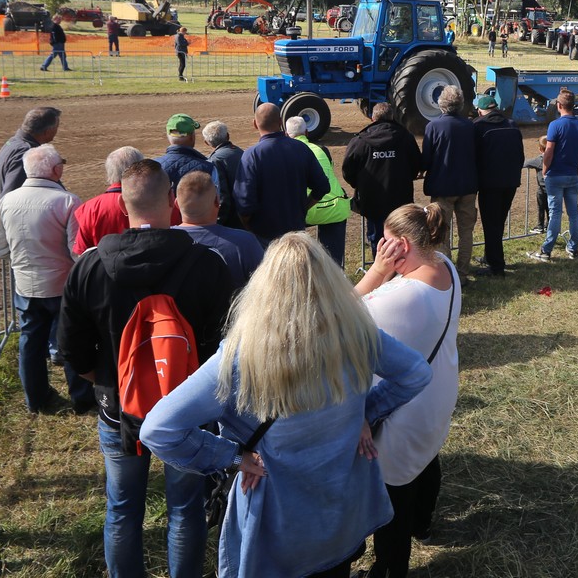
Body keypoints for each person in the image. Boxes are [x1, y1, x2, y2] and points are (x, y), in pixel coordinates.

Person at [139, 232, 432, 578]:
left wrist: (232, 456)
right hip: (339, 515)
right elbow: (415, 373)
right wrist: (365, 412)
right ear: (331, 281)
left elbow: (159, 429)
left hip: (277, 527)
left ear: (263, 287)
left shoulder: (240, 357)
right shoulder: (356, 333)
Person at [59, 159, 238, 578]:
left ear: (122, 205)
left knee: (122, 507)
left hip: (117, 405)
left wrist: (107, 381)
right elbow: (227, 343)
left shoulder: (89, 266)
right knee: (185, 506)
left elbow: (72, 350)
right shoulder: (208, 264)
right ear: (172, 202)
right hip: (188, 406)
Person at [354, 205, 462, 578]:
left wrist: (377, 271)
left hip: (402, 415)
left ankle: (389, 568)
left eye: (384, 241)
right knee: (427, 459)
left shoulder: (399, 296)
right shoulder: (445, 266)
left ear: (400, 245)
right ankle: (423, 524)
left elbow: (338, 317)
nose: (379, 246)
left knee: (393, 498)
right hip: (437, 395)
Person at [0, 144, 94, 414]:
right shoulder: (68, 201)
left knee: (30, 342)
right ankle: (81, 398)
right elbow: (76, 251)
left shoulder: (6, 201)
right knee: (70, 340)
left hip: (26, 286)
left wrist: (24, 258)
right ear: (56, 170)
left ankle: (35, 400)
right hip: (62, 285)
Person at [234, 103, 328, 246]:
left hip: (264, 235)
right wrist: (303, 208)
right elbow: (322, 186)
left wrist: (249, 227)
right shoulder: (301, 148)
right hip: (296, 232)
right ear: (280, 122)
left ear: (255, 124)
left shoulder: (251, 155)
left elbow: (244, 203)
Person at [342, 103, 423, 253]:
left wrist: (358, 184)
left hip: (373, 201)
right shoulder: (405, 137)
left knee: (378, 240)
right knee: (401, 238)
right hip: (400, 199)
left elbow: (347, 170)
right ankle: (400, 264)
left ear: (373, 118)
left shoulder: (360, 141)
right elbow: (417, 164)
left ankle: (381, 264)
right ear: (392, 117)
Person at [421, 85, 478, 275]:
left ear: (441, 104)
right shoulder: (470, 126)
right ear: (460, 104)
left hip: (443, 186)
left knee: (441, 232)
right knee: (466, 232)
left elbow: (426, 159)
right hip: (468, 185)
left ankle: (447, 274)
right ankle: (462, 272)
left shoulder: (433, 126)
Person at [527, 90, 578, 262]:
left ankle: (546, 250)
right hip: (572, 174)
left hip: (555, 174)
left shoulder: (555, 125)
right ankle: (573, 248)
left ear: (559, 106)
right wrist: (576, 164)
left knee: (555, 213)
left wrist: (545, 169)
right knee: (573, 213)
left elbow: (549, 151)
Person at [172, 170, 264, 283]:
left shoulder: (162, 241)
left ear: (176, 204)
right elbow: (265, 286)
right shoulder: (245, 243)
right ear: (217, 201)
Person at [286, 116, 352, 268]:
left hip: (306, 210)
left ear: (286, 134)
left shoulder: (287, 153)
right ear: (306, 133)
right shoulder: (322, 150)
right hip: (335, 207)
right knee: (333, 264)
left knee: (296, 256)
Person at [472, 93, 524, 276]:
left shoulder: (477, 126)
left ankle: (496, 266)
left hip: (489, 183)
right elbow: (520, 154)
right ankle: (491, 256)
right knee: (499, 221)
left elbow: (474, 155)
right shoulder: (512, 124)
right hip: (510, 181)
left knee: (491, 224)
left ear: (480, 111)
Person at [73, 147, 148, 254]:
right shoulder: (156, 200)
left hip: (103, 263)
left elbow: (82, 252)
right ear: (140, 171)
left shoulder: (89, 208)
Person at [0, 106, 60, 198]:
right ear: (47, 132)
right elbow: (10, 195)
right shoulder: (27, 153)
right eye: (56, 127)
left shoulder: (12, 142)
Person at [155, 114, 219, 191]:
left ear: (168, 136)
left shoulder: (154, 167)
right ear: (192, 137)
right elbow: (216, 196)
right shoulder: (209, 168)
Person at [202, 120, 244, 226]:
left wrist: (219, 223)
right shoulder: (242, 152)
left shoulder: (213, 161)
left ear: (206, 142)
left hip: (231, 221)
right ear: (228, 136)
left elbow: (222, 196)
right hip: (246, 215)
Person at [522, 135, 549, 235]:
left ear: (540, 149)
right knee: (550, 209)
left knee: (541, 207)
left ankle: (540, 226)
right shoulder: (556, 157)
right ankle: (549, 225)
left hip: (543, 189)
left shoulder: (540, 160)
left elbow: (525, 163)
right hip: (554, 188)